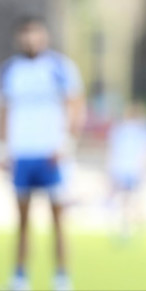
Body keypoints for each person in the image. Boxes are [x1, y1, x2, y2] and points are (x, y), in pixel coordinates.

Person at [0, 17, 86, 291]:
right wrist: (4, 148)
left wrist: (67, 144)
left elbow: (74, 105)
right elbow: (5, 111)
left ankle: (61, 275)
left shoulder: (59, 67)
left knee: (57, 217)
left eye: (34, 34)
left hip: (51, 154)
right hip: (22, 153)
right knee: (22, 219)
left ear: (44, 36)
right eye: (25, 34)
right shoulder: (11, 70)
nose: (30, 40)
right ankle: (20, 275)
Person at [105, 99, 146, 240]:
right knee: (128, 198)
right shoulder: (126, 129)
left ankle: (133, 226)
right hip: (127, 168)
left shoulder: (140, 130)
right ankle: (129, 226)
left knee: (132, 198)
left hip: (132, 168)